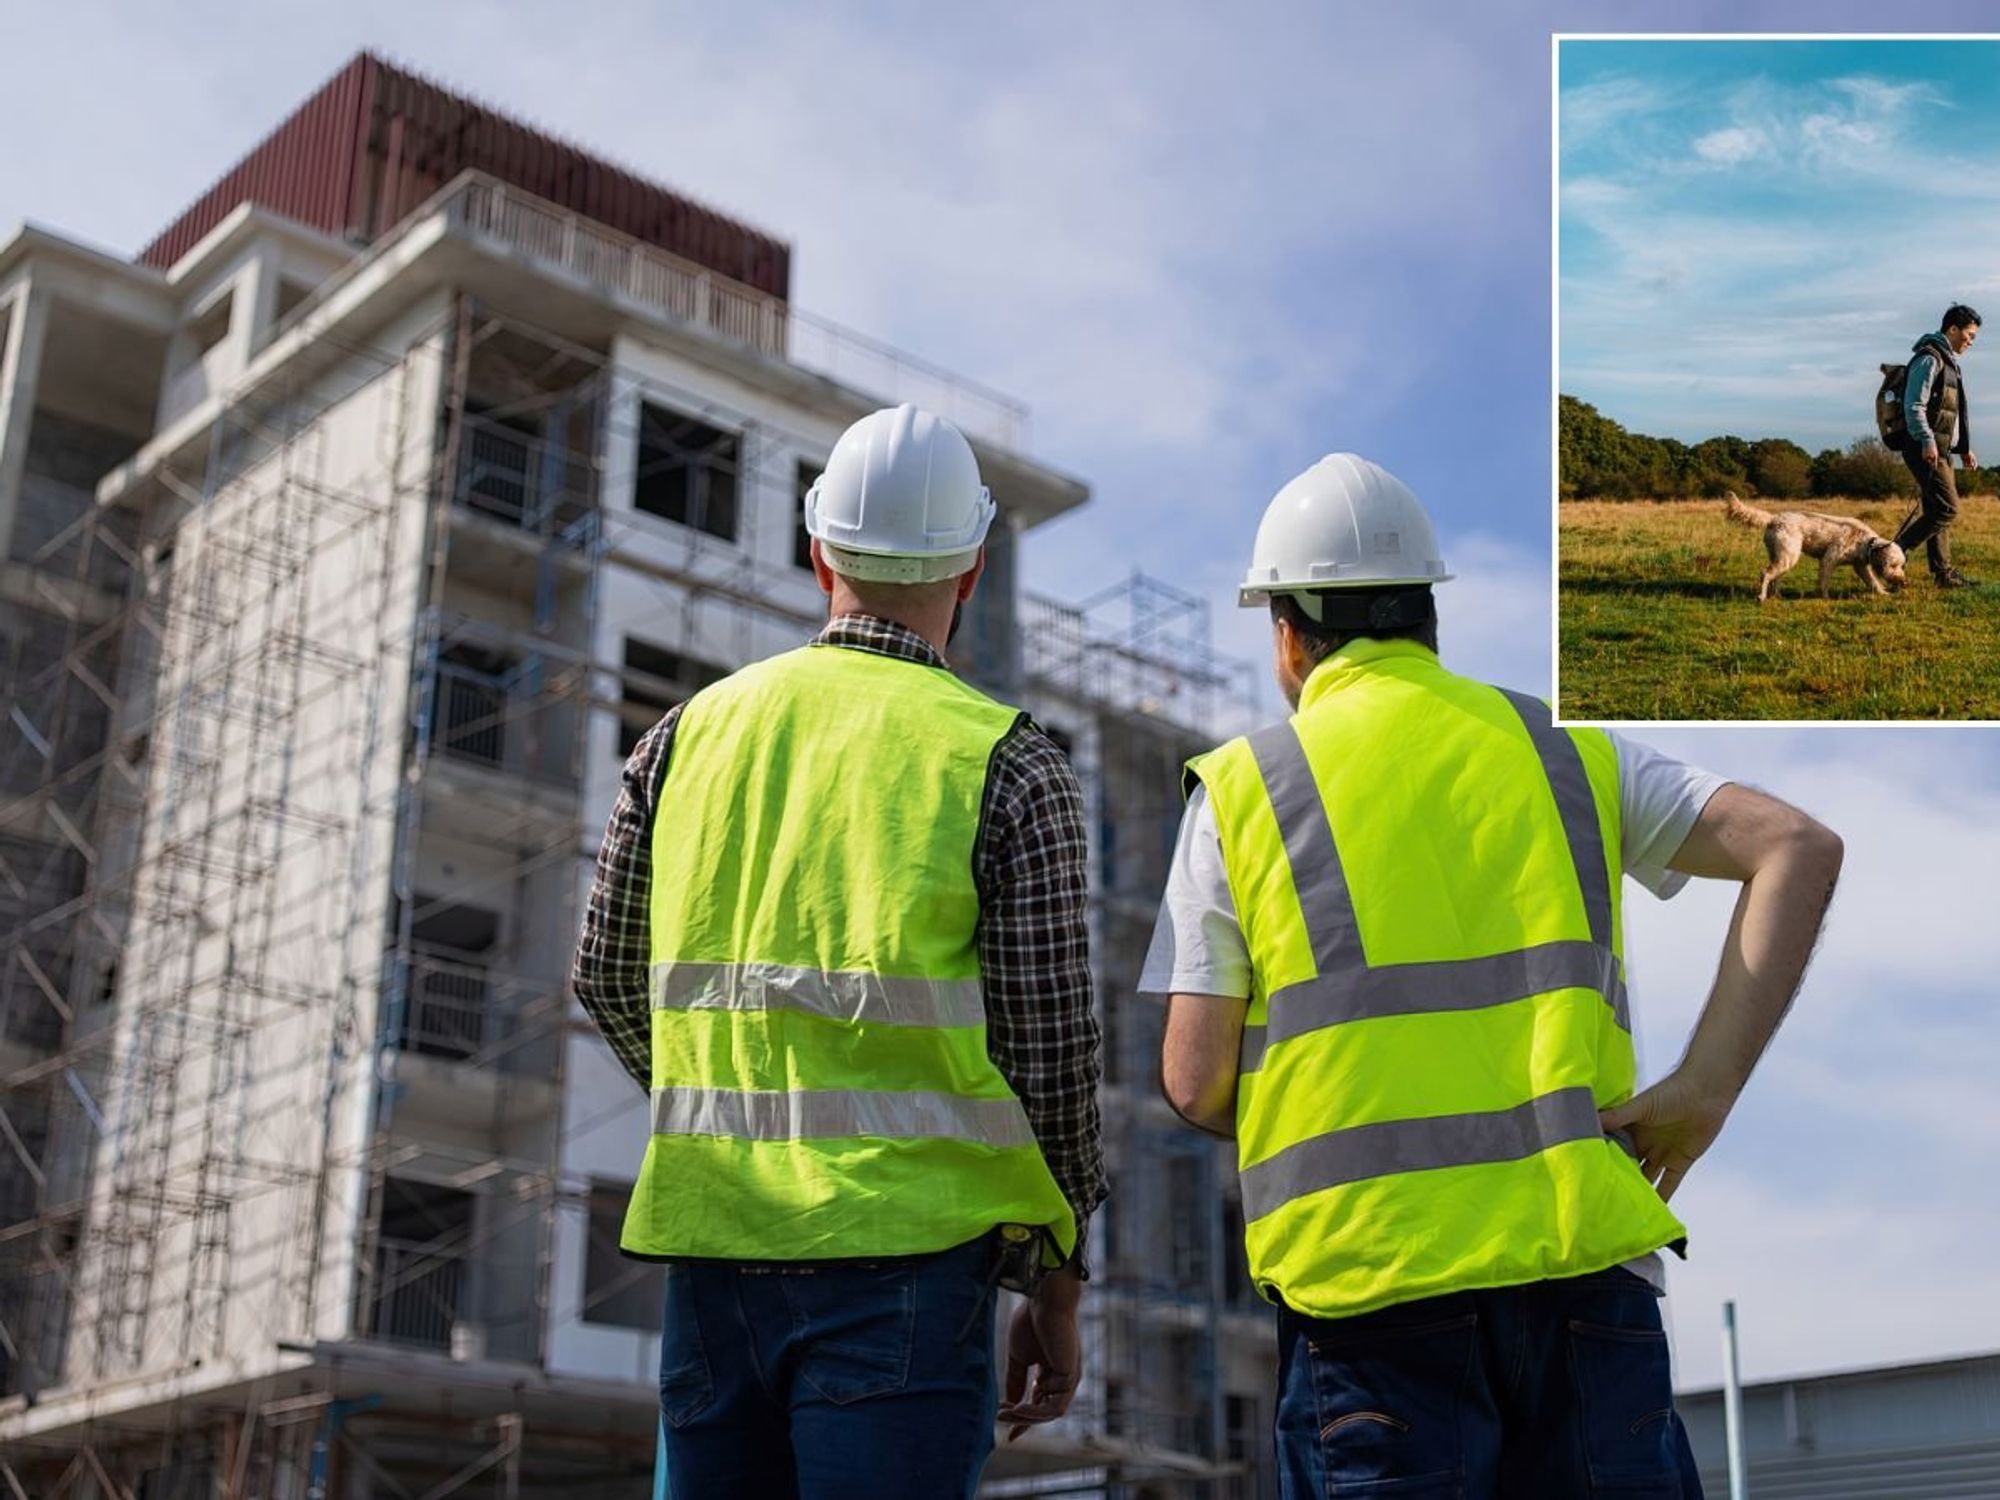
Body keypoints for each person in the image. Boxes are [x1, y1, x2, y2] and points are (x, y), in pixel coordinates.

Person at [1144, 454, 1842, 1499]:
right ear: (1429, 614)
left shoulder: (1243, 790)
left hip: (1370, 1296)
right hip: (1583, 1280)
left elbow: (1196, 1083)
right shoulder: (1558, 750)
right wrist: (1704, 1089)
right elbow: (1795, 845)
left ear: (1285, 633)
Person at [572, 403, 1105, 1499]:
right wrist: (1053, 1277)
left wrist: (727, 1099)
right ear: (971, 567)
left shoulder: (686, 736)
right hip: (909, 1267)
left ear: (818, 552)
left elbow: (607, 975)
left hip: (716, 1246)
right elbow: (1049, 1057)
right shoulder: (1008, 762)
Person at [1892, 304, 1981, 588]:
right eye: (1969, 334)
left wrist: (1963, 447)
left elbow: (1950, 412)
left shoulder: (1948, 361)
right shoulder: (1929, 359)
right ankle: (1891, 552)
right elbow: (1913, 405)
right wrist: (1927, 440)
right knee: (1947, 509)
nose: (1971, 341)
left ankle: (1942, 573)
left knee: (1936, 509)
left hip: (1940, 449)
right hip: (1924, 447)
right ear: (1952, 329)